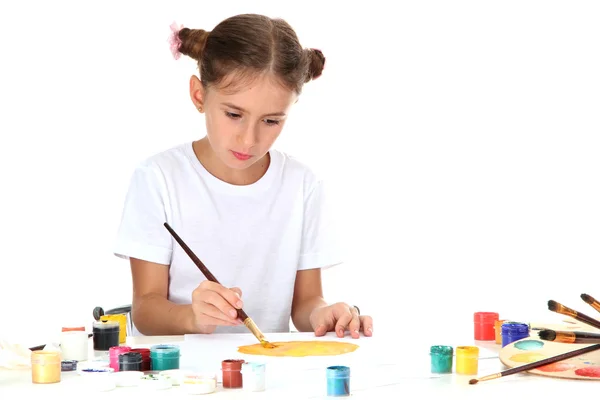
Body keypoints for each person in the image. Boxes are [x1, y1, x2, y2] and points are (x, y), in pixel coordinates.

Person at [113, 13, 373, 340]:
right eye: (234, 114)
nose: (249, 140)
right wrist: (192, 317)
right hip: (180, 375)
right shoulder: (158, 178)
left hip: (265, 376)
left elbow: (306, 303)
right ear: (199, 96)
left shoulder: (302, 185)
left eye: (271, 121)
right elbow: (146, 311)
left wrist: (324, 313)